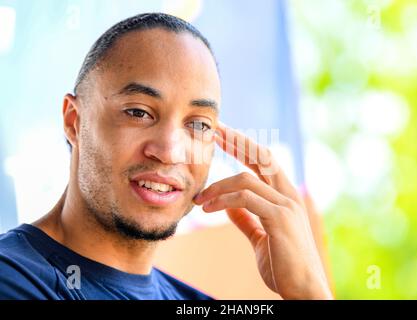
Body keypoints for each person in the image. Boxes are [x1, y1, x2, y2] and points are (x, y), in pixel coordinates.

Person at [0, 13, 332, 300]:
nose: (170, 151)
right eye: (139, 112)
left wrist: (307, 290)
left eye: (199, 124)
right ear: (75, 121)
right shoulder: (13, 279)